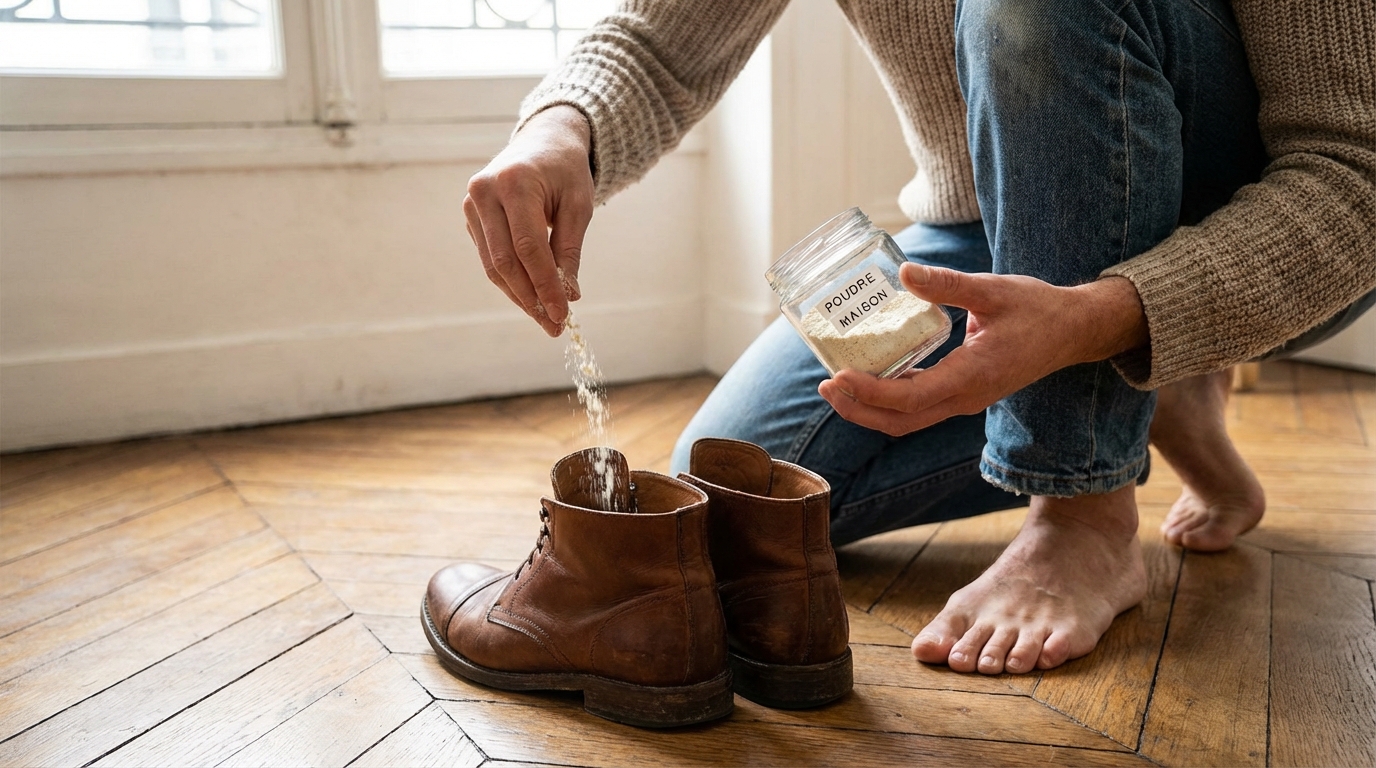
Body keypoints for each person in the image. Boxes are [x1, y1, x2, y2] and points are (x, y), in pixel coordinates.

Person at [461, 0, 1376, 674]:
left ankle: (1082, 509)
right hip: (975, 228)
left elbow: (1354, 174)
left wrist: (1115, 308)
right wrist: (555, 133)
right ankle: (1155, 377)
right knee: (739, 487)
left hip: (1246, 219)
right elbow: (661, 46)